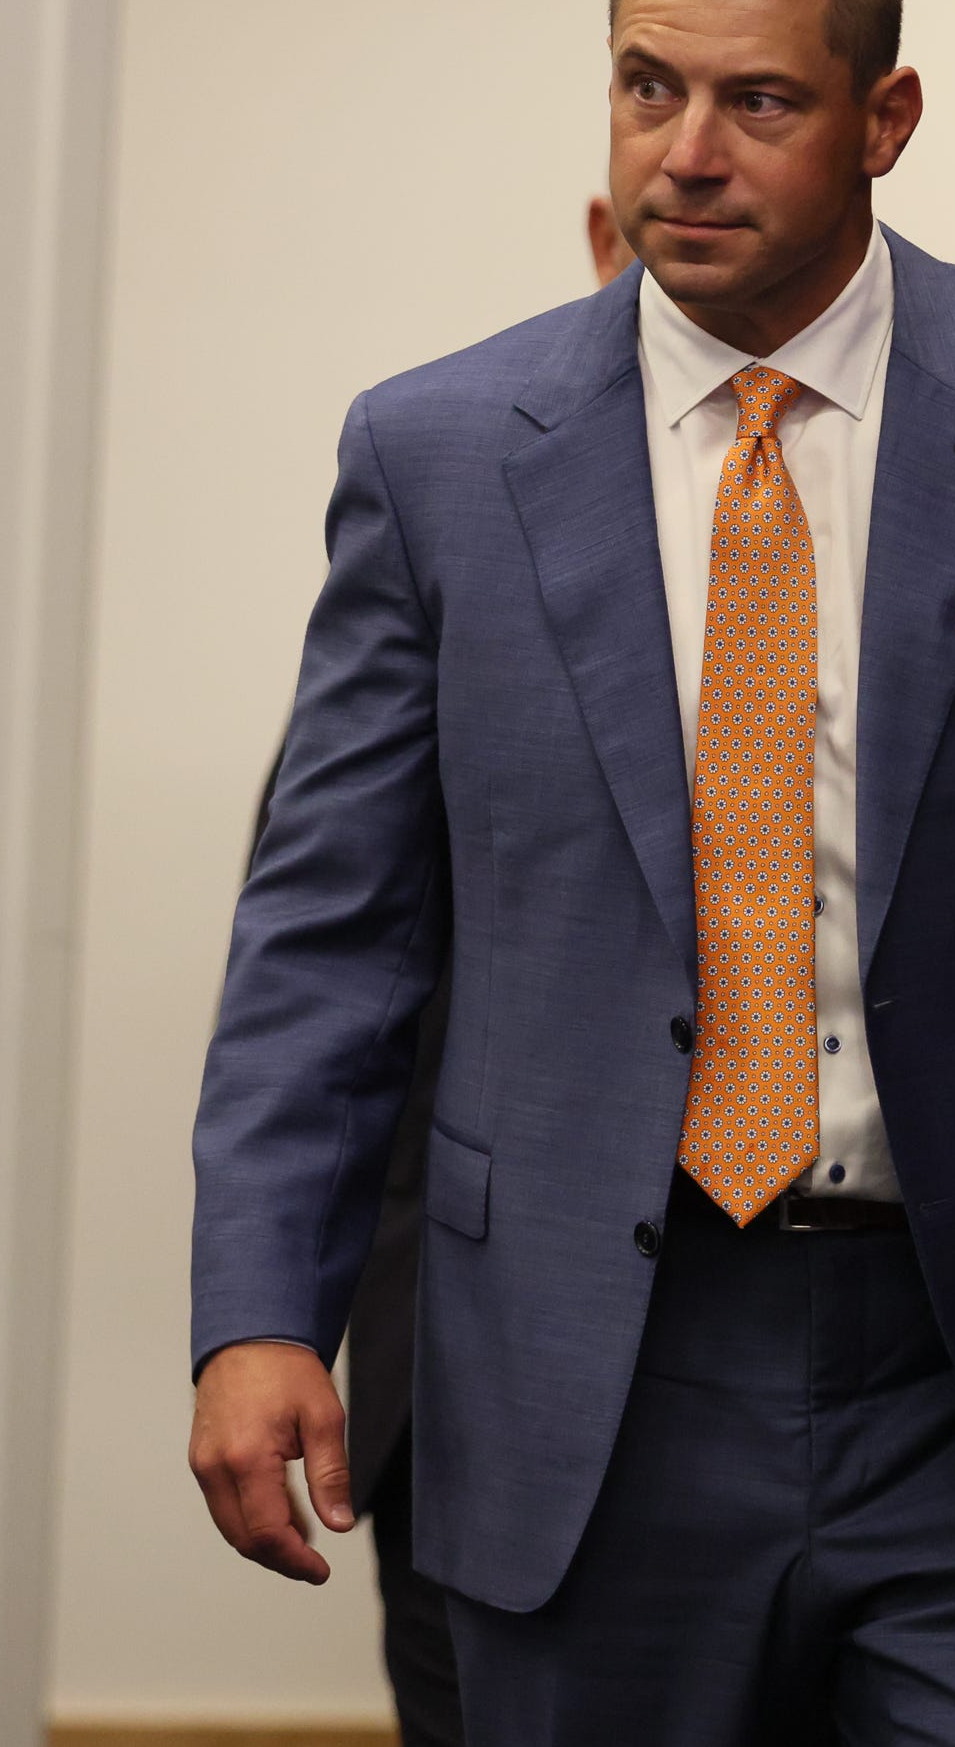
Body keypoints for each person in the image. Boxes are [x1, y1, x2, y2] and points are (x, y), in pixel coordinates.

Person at [187, 0, 955, 1747]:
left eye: (759, 101)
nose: (687, 150)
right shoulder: (438, 453)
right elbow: (329, 929)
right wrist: (261, 1309)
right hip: (596, 1360)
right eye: (647, 86)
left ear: (883, 119)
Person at [244, 199, 638, 1747]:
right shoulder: (451, 495)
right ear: (605, 234)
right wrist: (268, 1313)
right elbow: (332, 958)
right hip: (483, 1367)